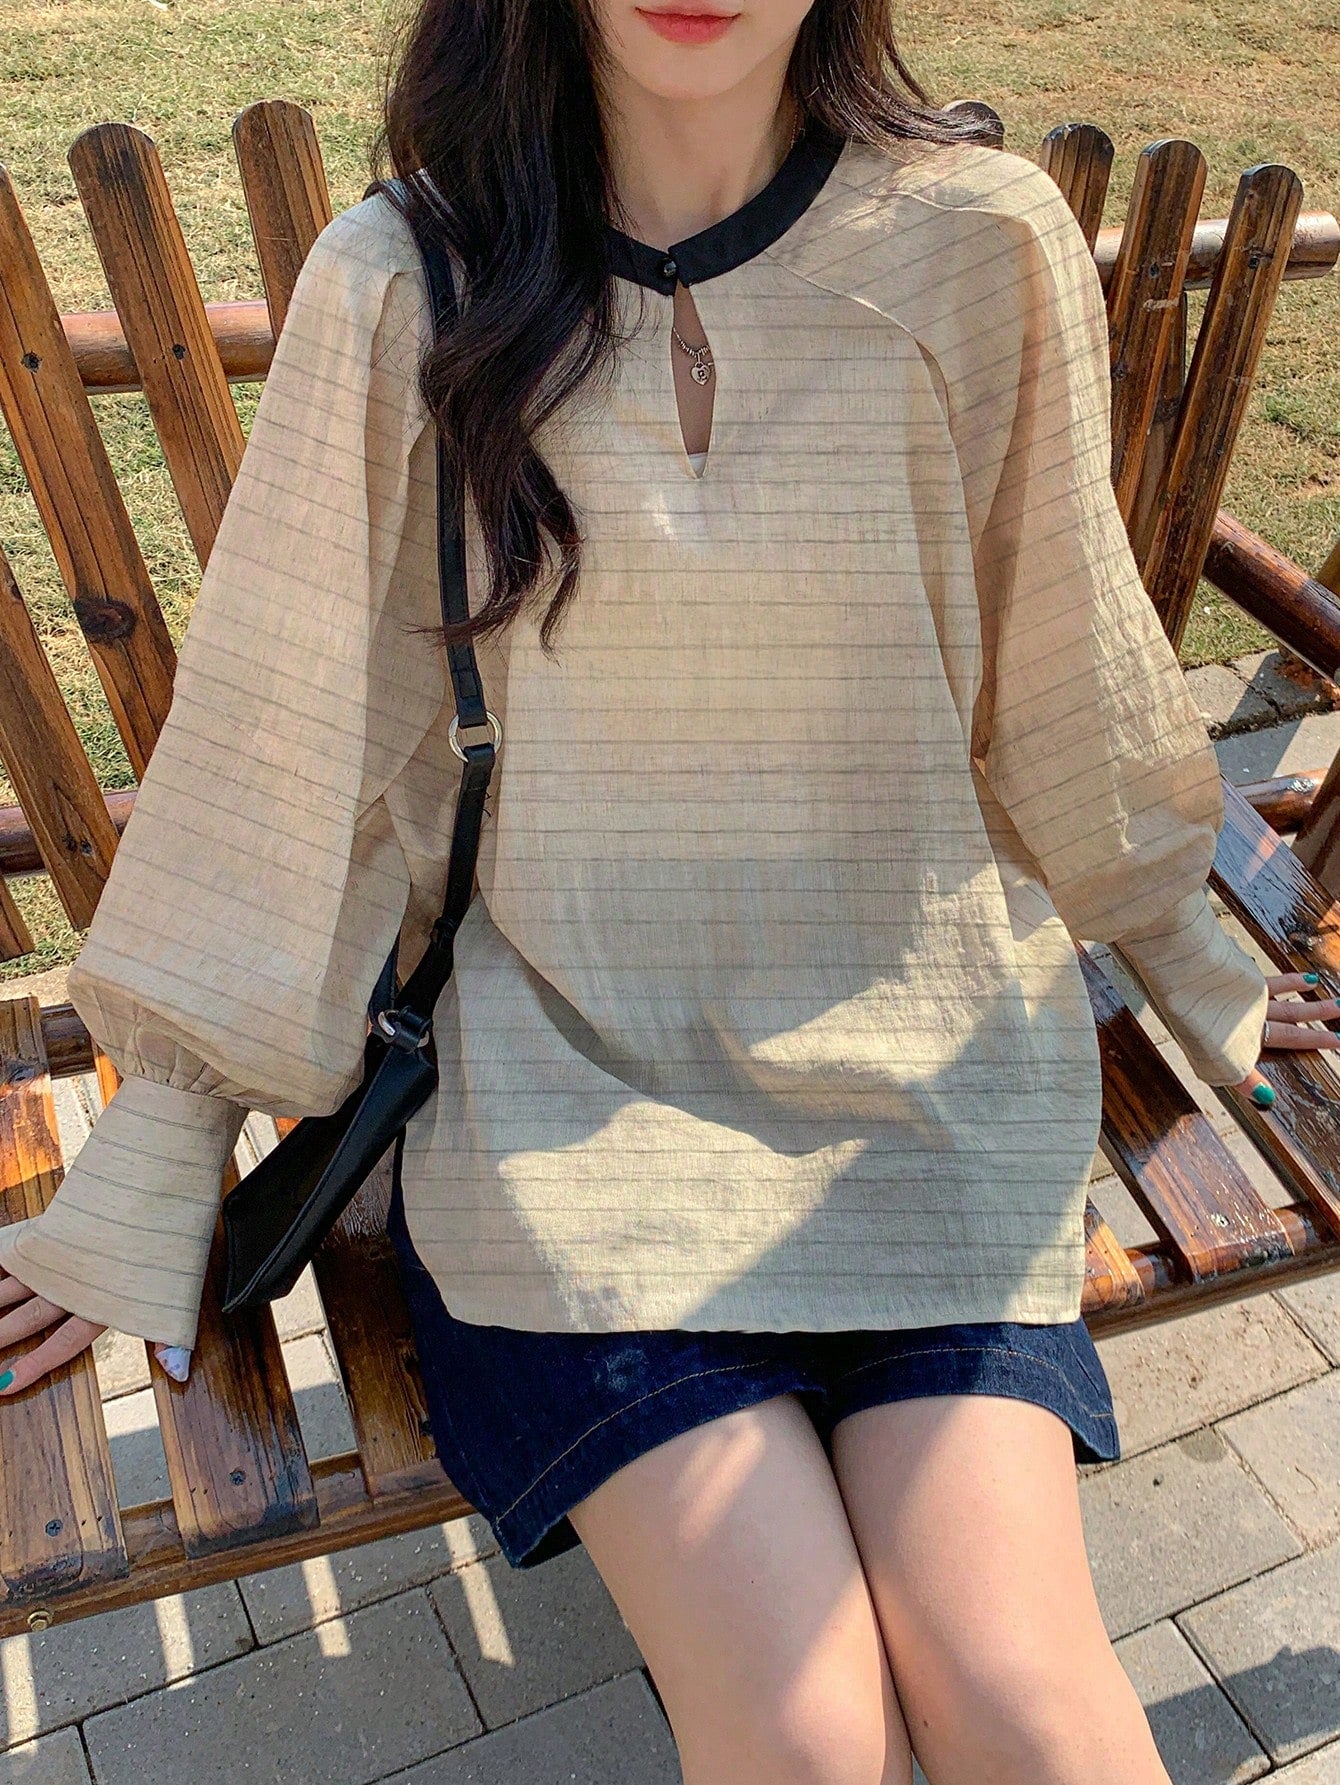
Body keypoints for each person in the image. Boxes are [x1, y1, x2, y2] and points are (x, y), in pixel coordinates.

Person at [1, 2, 1335, 1778]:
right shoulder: (408, 283)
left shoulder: (977, 242)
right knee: (804, 1729)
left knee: (1027, 1700)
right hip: (572, 1118)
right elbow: (295, 737)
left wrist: (1196, 957)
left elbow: (1067, 681)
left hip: (924, 1099)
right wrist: (165, 1134)